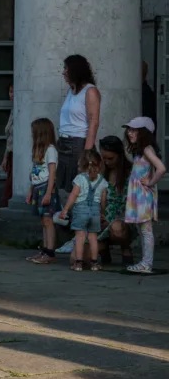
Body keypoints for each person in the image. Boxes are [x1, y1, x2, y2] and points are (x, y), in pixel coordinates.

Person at [123, 117, 166, 273]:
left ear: (144, 133)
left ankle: (146, 263)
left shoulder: (147, 149)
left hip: (143, 195)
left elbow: (161, 168)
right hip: (139, 195)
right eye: (129, 130)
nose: (129, 133)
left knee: (146, 231)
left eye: (134, 130)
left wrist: (150, 182)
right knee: (143, 230)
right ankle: (144, 262)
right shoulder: (140, 151)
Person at [59, 149, 108, 272]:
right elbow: (103, 200)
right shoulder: (102, 181)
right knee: (93, 237)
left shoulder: (80, 178)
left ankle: (78, 263)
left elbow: (74, 195)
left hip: (81, 210)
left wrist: (65, 209)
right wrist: (102, 213)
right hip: (95, 211)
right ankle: (95, 263)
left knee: (80, 237)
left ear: (81, 164)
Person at [57, 55, 100, 193]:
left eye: (66, 68)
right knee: (65, 186)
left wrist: (86, 153)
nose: (63, 72)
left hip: (78, 143)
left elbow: (94, 122)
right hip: (64, 142)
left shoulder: (90, 91)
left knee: (78, 185)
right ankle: (67, 213)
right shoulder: (71, 90)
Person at [25, 118, 61, 264]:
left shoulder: (51, 150)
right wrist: (30, 190)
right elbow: (34, 173)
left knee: (48, 220)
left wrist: (48, 193)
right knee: (43, 220)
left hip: (46, 187)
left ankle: (50, 251)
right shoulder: (38, 151)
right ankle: (45, 250)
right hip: (37, 187)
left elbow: (52, 173)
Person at [98, 136, 135, 266]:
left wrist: (115, 219)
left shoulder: (130, 173)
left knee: (117, 228)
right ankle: (103, 249)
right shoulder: (101, 173)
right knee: (80, 256)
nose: (107, 162)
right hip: (103, 218)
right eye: (104, 158)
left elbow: (133, 202)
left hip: (123, 218)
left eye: (110, 158)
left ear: (119, 155)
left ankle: (125, 248)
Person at [1, 82, 14, 207]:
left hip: (17, 154)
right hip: (11, 152)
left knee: (10, 185)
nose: (12, 95)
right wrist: (5, 157)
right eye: (10, 91)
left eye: (14, 91)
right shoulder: (12, 110)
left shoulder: (19, 110)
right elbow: (9, 137)